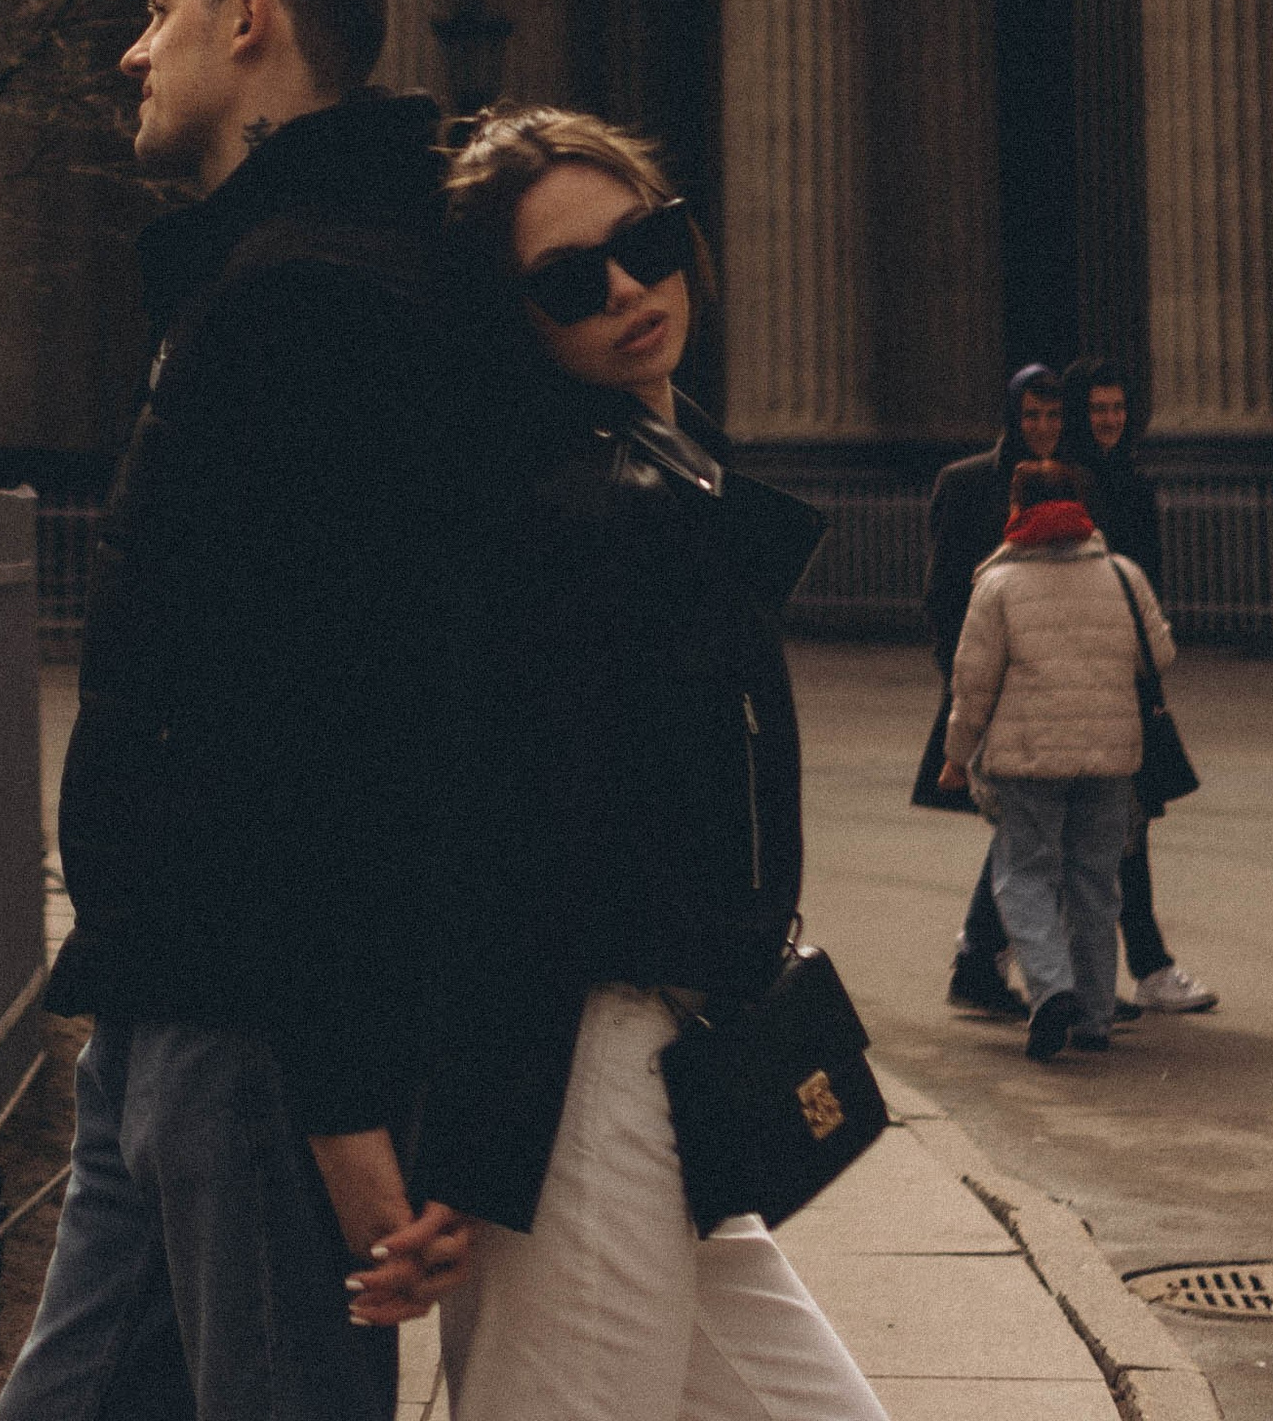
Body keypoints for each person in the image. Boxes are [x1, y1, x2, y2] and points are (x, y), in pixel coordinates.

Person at [0, 0, 470, 1421]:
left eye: (161, 11)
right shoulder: (267, 277)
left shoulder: (313, 302)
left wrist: (337, 1101)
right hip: (163, 1002)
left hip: (255, 1034)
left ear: (249, 19)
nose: (136, 53)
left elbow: (337, 729)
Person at [392, 106, 889, 1421]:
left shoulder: (667, 468)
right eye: (568, 280)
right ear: (519, 322)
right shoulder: (557, 510)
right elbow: (502, 842)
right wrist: (476, 1155)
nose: (625, 287)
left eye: (646, 240)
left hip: (674, 1058)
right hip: (579, 1077)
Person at [939, 458, 1181, 1060]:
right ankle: (1095, 1017)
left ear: (1017, 509)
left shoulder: (997, 585)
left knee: (1024, 875)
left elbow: (973, 684)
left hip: (1027, 759)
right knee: (1096, 883)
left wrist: (956, 755)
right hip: (1110, 755)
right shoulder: (1122, 575)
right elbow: (1161, 653)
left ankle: (1050, 991)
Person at [1061, 357, 1217, 1016]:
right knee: (1094, 826)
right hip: (1079, 673)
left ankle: (986, 949)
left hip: (1125, 674)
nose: (1111, 419)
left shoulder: (1131, 483)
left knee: (1104, 823)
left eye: (1118, 408)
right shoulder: (1065, 484)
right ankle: (1142, 966)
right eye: (1098, 409)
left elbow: (1147, 583)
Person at [913, 362, 1067, 1016]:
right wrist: (957, 683)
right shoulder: (969, 482)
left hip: (1053, 682)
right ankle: (988, 959)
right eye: (1031, 415)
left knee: (1032, 825)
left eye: (1053, 415)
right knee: (1030, 825)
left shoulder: (1066, 481)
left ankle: (994, 959)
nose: (1043, 428)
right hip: (994, 682)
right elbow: (944, 593)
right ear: (1012, 416)